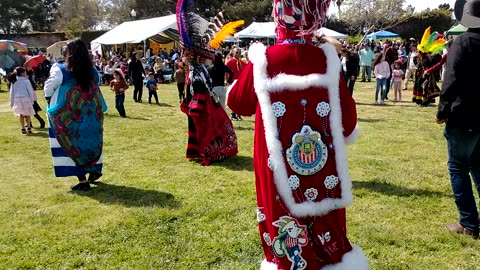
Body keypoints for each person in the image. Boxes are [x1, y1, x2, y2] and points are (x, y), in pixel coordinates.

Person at [227, 0, 369, 268]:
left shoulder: (264, 59)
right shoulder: (326, 58)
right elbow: (348, 123)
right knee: (326, 222)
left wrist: (249, 65)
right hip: (322, 165)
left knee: (283, 225)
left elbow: (237, 103)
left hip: (276, 167)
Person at [176, 0, 238, 166]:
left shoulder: (198, 72)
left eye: (186, 56)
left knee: (204, 131)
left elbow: (199, 90)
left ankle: (205, 152)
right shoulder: (198, 71)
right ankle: (196, 151)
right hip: (200, 106)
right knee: (197, 130)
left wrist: (194, 107)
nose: (184, 58)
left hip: (201, 109)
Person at [438, 0, 480, 239]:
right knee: (478, 166)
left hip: (464, 116)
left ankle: (469, 224)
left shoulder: (463, 42)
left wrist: (442, 111)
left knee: (458, 167)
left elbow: (451, 81)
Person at [43, 39, 108, 191]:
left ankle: (83, 180)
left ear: (69, 54)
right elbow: (96, 85)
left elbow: (49, 88)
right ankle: (94, 170)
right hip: (91, 114)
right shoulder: (92, 70)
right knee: (92, 140)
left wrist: (49, 100)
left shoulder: (60, 69)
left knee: (70, 143)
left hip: (68, 114)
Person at [8, 67, 36, 134]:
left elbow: (12, 92)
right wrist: (32, 99)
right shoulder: (26, 81)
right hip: (25, 98)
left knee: (21, 114)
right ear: (22, 73)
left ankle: (23, 128)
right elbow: (30, 91)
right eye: (25, 72)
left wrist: (11, 101)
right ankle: (29, 127)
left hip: (17, 99)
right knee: (28, 114)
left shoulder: (14, 81)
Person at [225, 47, 246, 120]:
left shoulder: (242, 63)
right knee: (234, 98)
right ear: (233, 53)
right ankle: (233, 114)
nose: (238, 54)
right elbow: (226, 72)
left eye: (240, 52)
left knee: (240, 99)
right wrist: (227, 80)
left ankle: (238, 113)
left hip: (241, 83)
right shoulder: (229, 62)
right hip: (233, 82)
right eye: (237, 52)